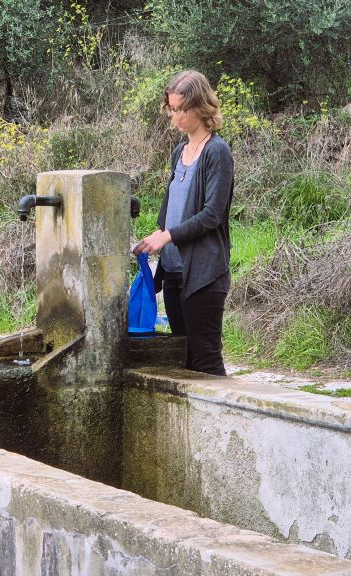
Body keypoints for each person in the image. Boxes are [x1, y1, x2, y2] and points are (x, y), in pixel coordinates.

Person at [133, 70, 233, 376]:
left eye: (183, 110)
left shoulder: (217, 152)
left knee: (206, 361)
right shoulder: (179, 152)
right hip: (175, 271)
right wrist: (157, 235)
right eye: (173, 110)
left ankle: (222, 424)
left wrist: (169, 236)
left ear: (201, 107)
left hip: (204, 273)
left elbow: (211, 215)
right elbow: (170, 209)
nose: (177, 117)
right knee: (184, 360)